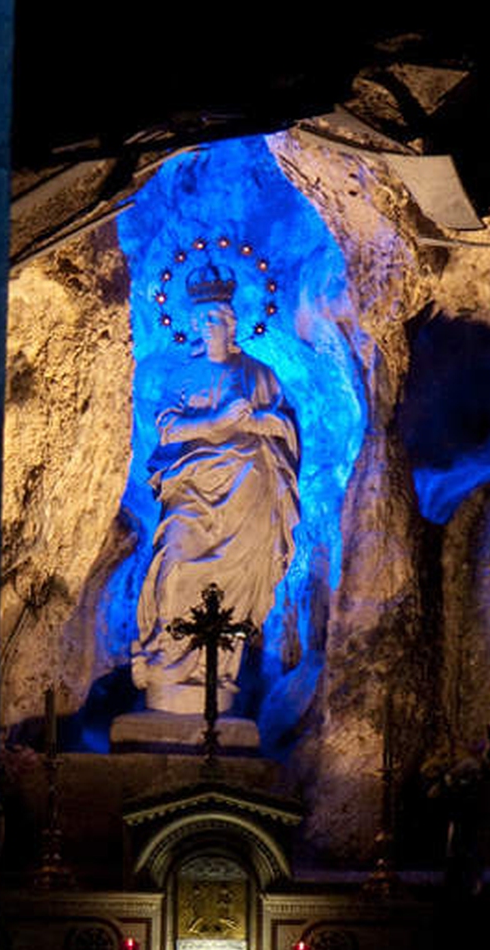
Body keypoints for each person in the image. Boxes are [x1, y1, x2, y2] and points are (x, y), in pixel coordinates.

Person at [132, 262, 300, 714]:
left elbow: (284, 427)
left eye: (216, 318)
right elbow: (166, 430)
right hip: (191, 488)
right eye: (201, 318)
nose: (207, 325)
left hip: (247, 489)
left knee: (236, 583)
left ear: (232, 322)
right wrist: (215, 422)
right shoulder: (180, 378)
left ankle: (218, 672)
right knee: (177, 565)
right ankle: (167, 660)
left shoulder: (260, 374)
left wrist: (255, 421)